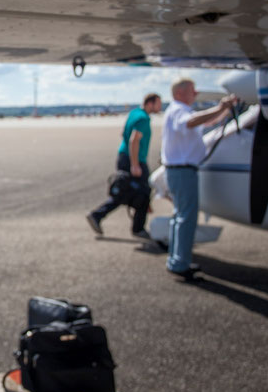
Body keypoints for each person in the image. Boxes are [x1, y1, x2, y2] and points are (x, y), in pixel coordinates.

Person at [161, 78, 238, 280]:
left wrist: (222, 111)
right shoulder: (180, 110)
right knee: (186, 217)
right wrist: (221, 107)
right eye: (192, 91)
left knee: (180, 216)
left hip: (179, 170)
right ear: (180, 93)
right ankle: (180, 263)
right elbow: (191, 122)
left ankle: (176, 259)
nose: (195, 94)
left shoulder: (179, 110)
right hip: (183, 171)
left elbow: (202, 121)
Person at [87, 93, 162, 238]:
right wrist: (135, 164)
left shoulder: (134, 113)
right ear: (150, 103)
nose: (160, 106)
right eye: (158, 103)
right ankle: (137, 228)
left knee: (125, 190)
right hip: (134, 159)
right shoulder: (143, 118)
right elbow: (134, 140)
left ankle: (98, 216)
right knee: (143, 192)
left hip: (123, 156)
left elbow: (124, 133)